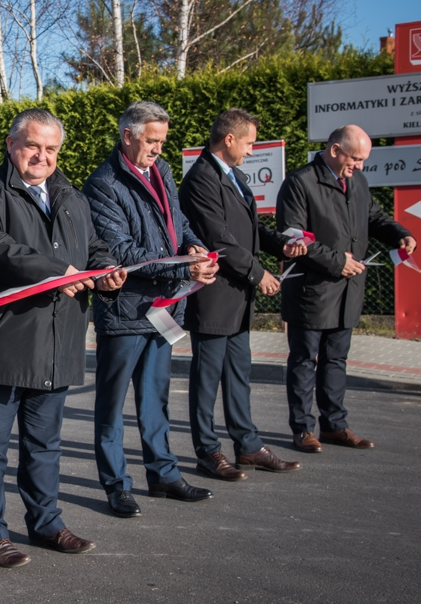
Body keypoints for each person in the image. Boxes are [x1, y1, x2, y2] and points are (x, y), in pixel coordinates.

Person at [0, 109, 126, 568]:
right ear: (11, 145)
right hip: (1, 340)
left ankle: (47, 523)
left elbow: (93, 248)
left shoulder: (72, 197)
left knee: (44, 444)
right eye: (33, 146)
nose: (42, 156)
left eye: (51, 149)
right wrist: (57, 273)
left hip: (58, 339)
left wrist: (107, 270)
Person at [82, 100, 218, 518]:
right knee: (112, 404)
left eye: (162, 140)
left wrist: (193, 244)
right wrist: (182, 264)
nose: (159, 148)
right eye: (152, 140)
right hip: (125, 311)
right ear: (127, 136)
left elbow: (177, 223)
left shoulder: (162, 172)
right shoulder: (103, 183)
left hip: (164, 307)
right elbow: (121, 250)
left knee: (155, 399)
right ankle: (117, 485)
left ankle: (163, 474)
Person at [178, 108, 304, 481]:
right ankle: (208, 451)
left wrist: (282, 245)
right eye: (249, 143)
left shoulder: (235, 177)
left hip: (238, 298)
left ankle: (248, 445)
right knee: (206, 379)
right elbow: (220, 240)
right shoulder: (200, 179)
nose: (251, 150)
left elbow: (249, 228)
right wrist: (258, 273)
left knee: (238, 375)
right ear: (228, 139)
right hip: (215, 296)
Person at [277, 124, 416, 452]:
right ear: (335, 150)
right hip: (312, 289)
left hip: (347, 290)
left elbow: (375, 217)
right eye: (355, 158)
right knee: (303, 360)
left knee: (336, 360)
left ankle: (335, 425)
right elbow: (293, 235)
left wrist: (400, 233)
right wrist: (337, 261)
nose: (360, 166)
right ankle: (302, 429)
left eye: (364, 160)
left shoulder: (358, 181)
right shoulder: (300, 182)